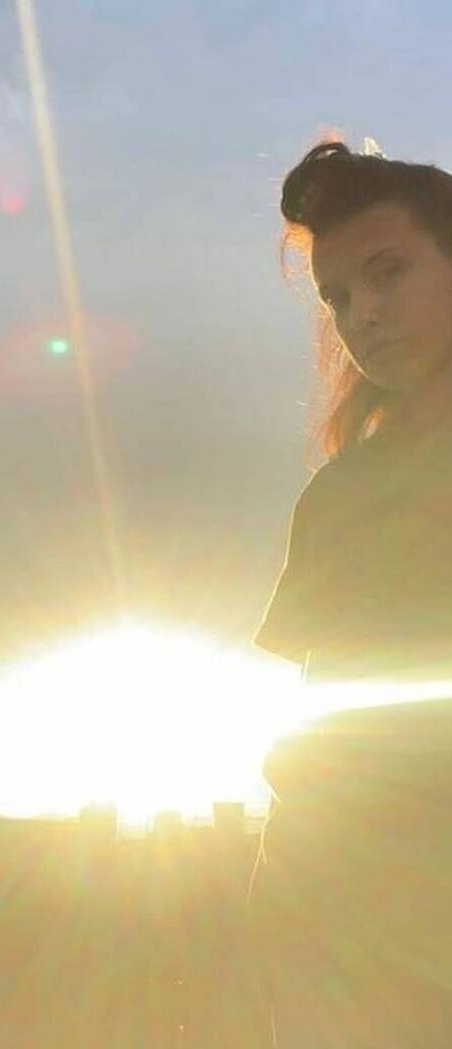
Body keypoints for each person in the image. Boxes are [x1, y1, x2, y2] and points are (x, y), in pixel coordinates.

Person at [250, 140, 452, 1047]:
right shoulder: (338, 500)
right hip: (362, 934)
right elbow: (318, 743)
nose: (361, 313)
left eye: (389, 271)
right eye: (336, 296)